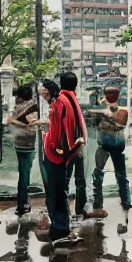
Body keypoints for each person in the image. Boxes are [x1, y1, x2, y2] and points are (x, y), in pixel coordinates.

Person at [41, 72, 87, 241]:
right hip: (73, 149)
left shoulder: (60, 102)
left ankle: (59, 227)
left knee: (55, 190)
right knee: (62, 189)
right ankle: (62, 224)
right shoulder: (73, 99)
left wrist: (47, 140)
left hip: (58, 153)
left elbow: (55, 133)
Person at [90, 87, 132, 214]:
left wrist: (106, 115)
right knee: (98, 173)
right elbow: (94, 123)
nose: (108, 95)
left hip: (116, 141)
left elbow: (121, 123)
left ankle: (126, 201)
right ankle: (98, 201)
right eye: (107, 93)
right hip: (104, 142)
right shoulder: (101, 106)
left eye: (111, 93)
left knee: (121, 174)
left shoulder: (122, 108)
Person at [6, 85, 38, 216]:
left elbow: (9, 120)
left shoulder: (17, 108)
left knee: (23, 173)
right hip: (28, 144)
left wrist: (14, 121)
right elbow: (31, 126)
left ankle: (23, 200)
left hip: (19, 143)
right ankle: (22, 202)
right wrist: (22, 124)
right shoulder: (33, 107)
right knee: (25, 174)